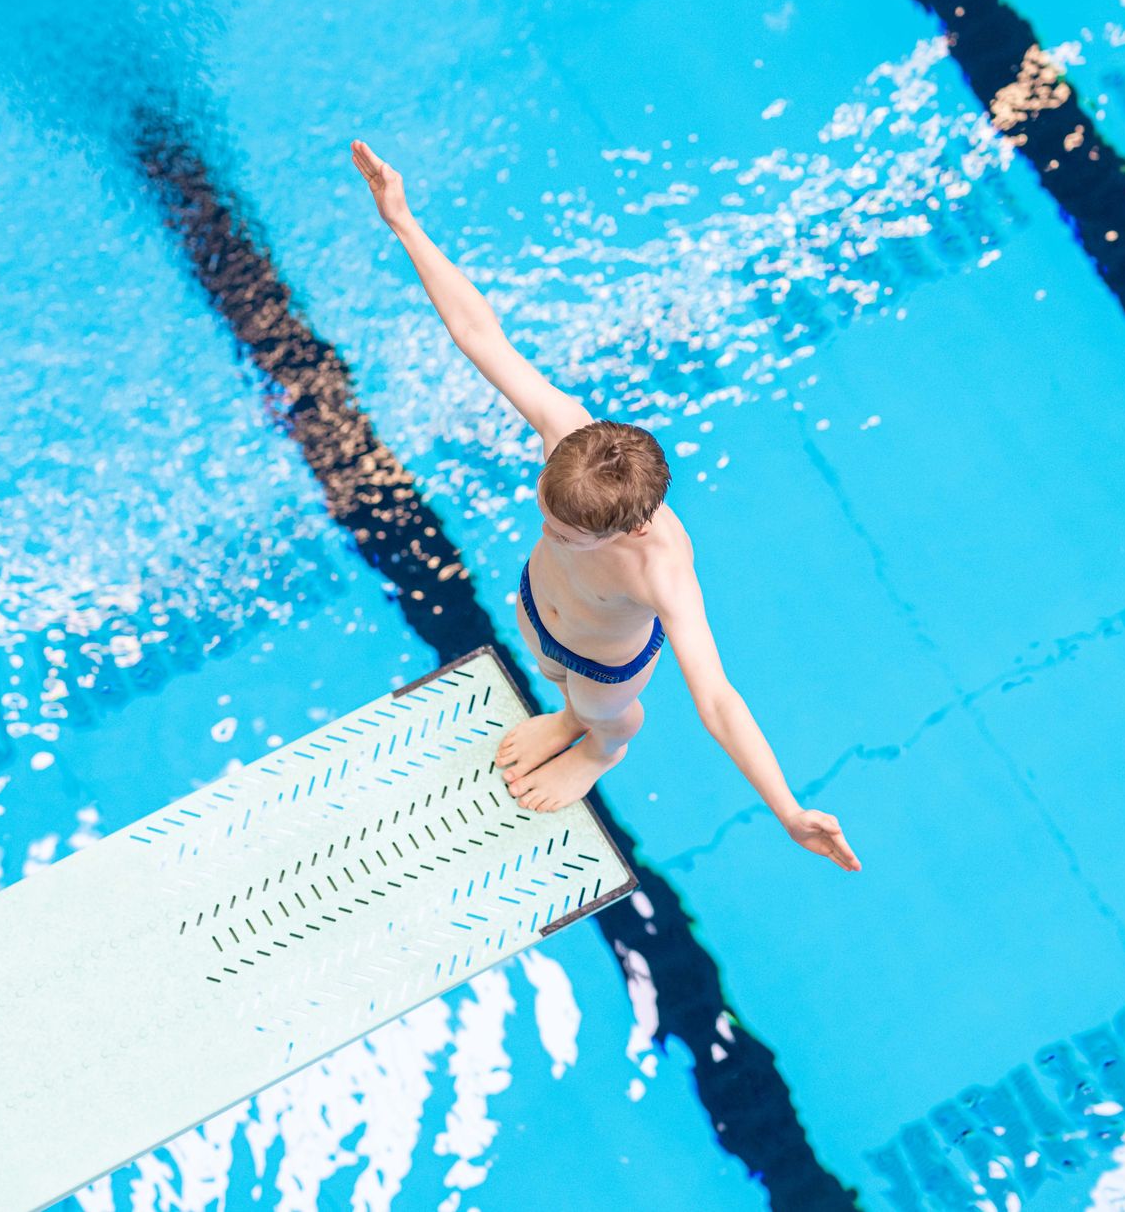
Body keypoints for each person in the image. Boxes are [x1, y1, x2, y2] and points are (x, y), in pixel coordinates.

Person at [351, 139, 861, 871]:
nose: (549, 529)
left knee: (601, 713)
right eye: (546, 516)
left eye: (568, 532)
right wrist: (402, 220)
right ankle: (565, 718)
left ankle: (597, 749)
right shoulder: (571, 433)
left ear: (630, 524)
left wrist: (787, 809)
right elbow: (478, 334)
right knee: (549, 673)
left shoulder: (662, 566)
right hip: (541, 608)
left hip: (604, 663)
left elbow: (717, 700)